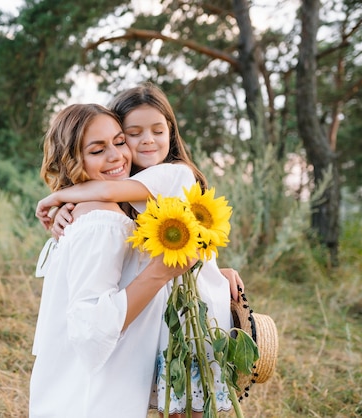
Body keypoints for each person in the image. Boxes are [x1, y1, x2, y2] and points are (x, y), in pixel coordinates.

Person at [35, 83, 244, 417]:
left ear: (171, 134)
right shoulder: (121, 196)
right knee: (166, 403)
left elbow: (106, 187)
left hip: (192, 312)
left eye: (157, 130)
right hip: (161, 313)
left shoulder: (175, 174)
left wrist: (61, 196)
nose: (146, 140)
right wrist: (70, 205)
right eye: (132, 133)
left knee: (187, 403)